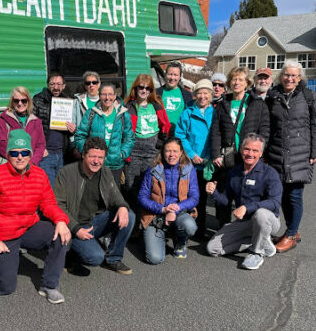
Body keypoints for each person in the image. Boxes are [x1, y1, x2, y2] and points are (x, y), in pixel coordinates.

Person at [0, 130, 71, 304]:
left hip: (28, 227)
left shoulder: (39, 175)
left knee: (60, 235)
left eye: (24, 152)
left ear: (30, 154)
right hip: (3, 234)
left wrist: (60, 220)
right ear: (8, 154)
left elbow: (48, 203)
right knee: (5, 288)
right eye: (15, 153)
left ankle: (49, 286)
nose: (20, 157)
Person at [54, 137, 135, 275]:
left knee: (129, 215)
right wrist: (75, 228)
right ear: (83, 155)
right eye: (92, 156)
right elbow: (57, 205)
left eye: (100, 157)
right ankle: (71, 253)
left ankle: (113, 259)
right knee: (95, 257)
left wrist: (122, 206)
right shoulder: (66, 173)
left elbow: (115, 195)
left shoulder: (105, 172)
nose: (96, 161)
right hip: (73, 225)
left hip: (94, 222)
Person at [206, 134, 282, 270]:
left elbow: (275, 203)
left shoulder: (270, 173)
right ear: (241, 150)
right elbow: (226, 201)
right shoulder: (234, 173)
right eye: (247, 149)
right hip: (245, 222)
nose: (250, 154)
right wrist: (214, 193)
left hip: (269, 222)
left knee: (261, 214)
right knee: (212, 249)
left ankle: (257, 253)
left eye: (255, 151)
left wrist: (247, 207)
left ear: (261, 153)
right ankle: (259, 242)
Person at [266, 60, 316, 252]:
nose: (290, 78)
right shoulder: (273, 96)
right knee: (283, 195)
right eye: (287, 74)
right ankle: (292, 230)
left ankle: (291, 234)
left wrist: (315, 150)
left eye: (294, 75)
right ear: (281, 76)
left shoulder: (308, 96)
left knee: (295, 194)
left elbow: (315, 125)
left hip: (300, 152)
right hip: (277, 151)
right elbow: (269, 126)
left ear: (299, 78)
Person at [210, 66, 270, 225]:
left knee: (247, 192)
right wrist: (216, 153)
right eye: (234, 79)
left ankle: (245, 228)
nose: (236, 82)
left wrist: (259, 152)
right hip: (228, 155)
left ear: (247, 83)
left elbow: (264, 129)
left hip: (248, 155)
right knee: (224, 190)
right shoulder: (223, 104)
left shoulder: (257, 103)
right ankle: (222, 226)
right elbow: (216, 131)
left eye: (240, 79)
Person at [138, 137, 199, 263]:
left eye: (175, 151)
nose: (172, 155)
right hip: (156, 215)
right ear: (162, 152)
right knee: (154, 259)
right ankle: (162, 234)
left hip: (179, 212)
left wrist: (176, 209)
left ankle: (180, 241)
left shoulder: (189, 169)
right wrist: (163, 209)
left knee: (190, 226)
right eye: (168, 151)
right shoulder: (153, 169)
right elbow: (142, 197)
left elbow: (194, 197)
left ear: (181, 152)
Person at [123, 74, 170, 208]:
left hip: (152, 150)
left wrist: (160, 143)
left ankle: (147, 219)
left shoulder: (156, 105)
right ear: (135, 88)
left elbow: (165, 126)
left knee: (150, 184)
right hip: (134, 151)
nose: (144, 91)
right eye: (141, 87)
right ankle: (133, 219)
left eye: (148, 88)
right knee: (131, 185)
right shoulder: (129, 106)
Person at [175, 79, 215, 238]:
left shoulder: (216, 112)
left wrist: (211, 155)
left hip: (209, 161)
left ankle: (201, 230)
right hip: (192, 162)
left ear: (211, 95)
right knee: (191, 196)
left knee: (204, 198)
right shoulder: (188, 112)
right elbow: (180, 135)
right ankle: (186, 228)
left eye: (206, 93)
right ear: (195, 94)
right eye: (199, 92)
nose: (203, 96)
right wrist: (192, 155)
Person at [74, 83, 135, 186]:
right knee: (94, 197)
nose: (107, 98)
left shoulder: (123, 114)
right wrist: (86, 153)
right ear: (99, 95)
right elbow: (80, 135)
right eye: (104, 94)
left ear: (115, 96)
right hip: (95, 164)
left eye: (110, 94)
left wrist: (122, 154)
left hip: (115, 164)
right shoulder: (91, 113)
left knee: (112, 198)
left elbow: (129, 138)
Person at [33, 72, 76, 185]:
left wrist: (73, 130)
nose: (55, 87)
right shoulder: (38, 100)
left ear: (64, 86)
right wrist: (40, 148)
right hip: (46, 153)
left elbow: (71, 128)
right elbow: (32, 128)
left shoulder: (68, 101)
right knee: (48, 189)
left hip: (62, 153)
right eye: (52, 84)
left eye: (58, 84)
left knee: (61, 189)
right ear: (48, 85)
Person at [0, 86, 45, 166]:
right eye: (16, 101)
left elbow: (40, 145)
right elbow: (1, 144)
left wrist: (32, 162)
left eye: (24, 100)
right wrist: (17, 160)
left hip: (31, 166)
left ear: (28, 101)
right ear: (12, 102)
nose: (20, 103)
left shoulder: (36, 121)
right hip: (11, 166)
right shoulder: (4, 119)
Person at [156, 61, 193, 134]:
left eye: (175, 75)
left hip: (179, 136)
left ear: (180, 76)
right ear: (165, 75)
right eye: (170, 74)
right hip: (160, 136)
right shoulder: (156, 93)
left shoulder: (187, 95)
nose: (172, 78)